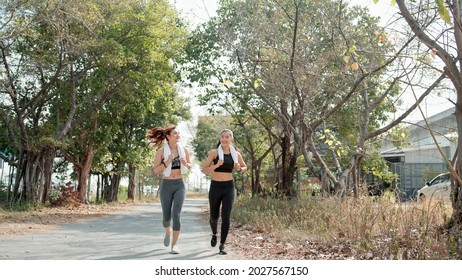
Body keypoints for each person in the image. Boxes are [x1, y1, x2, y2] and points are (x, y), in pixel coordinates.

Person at [147, 125, 192, 254]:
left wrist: (185, 163)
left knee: (176, 215)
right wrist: (167, 161)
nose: (178, 135)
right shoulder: (161, 152)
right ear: (168, 136)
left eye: (179, 133)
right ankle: (168, 231)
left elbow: (190, 166)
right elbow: (156, 170)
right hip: (166, 185)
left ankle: (175, 245)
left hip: (179, 184)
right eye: (175, 133)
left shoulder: (184, 150)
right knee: (166, 217)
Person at [202, 128, 247, 255]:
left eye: (227, 137)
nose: (224, 139)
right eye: (222, 136)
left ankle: (222, 245)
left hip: (228, 187)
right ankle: (214, 234)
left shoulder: (236, 155)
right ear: (220, 139)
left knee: (226, 216)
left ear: (231, 139)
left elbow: (244, 167)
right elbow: (204, 170)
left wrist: (239, 168)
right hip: (215, 186)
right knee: (214, 216)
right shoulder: (214, 153)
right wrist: (216, 165)